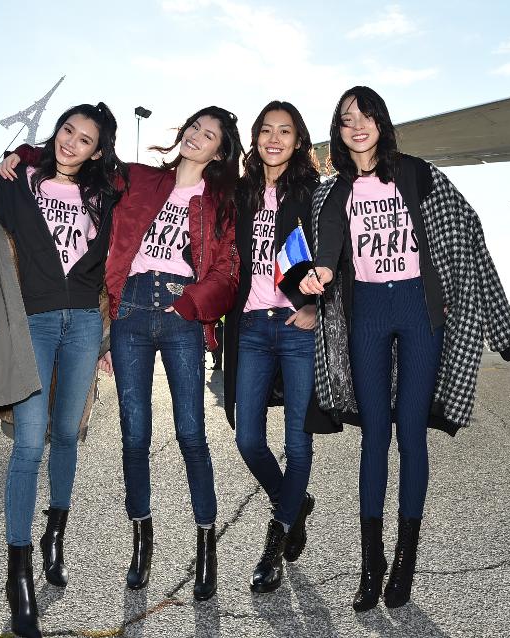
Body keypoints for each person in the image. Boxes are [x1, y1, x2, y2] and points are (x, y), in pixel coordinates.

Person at [1, 104, 242, 601]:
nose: (197, 135)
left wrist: (192, 304)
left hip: (182, 313)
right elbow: (73, 155)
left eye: (209, 133)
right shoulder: (138, 179)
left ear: (221, 149)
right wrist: (17, 153)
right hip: (130, 310)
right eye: (194, 126)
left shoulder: (222, 202)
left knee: (192, 433)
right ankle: (141, 546)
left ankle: (206, 551)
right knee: (134, 435)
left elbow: (229, 269)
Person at [299, 86, 510, 611]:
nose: (359, 126)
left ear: (383, 122)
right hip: (367, 314)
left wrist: (500, 326)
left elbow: (468, 233)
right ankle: (370, 561)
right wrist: (317, 277)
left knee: (411, 434)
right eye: (348, 118)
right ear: (338, 128)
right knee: (375, 436)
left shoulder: (418, 174)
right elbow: (323, 248)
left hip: (420, 314)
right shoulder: (331, 192)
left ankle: (405, 558)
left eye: (367, 116)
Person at [0, 103, 127, 638]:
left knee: (69, 435)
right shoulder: (19, 180)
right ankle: (18, 572)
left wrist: (108, 331)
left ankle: (55, 535)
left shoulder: (106, 197)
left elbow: (114, 263)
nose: (71, 142)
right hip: (31, 324)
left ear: (98, 150)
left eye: (85, 139)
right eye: (66, 131)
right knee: (29, 443)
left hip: (82, 325)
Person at [223, 100, 331, 593]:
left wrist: (315, 308)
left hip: (295, 325)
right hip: (249, 326)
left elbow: (332, 252)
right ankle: (295, 500)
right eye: (267, 129)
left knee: (296, 442)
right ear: (256, 138)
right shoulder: (241, 193)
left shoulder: (312, 191)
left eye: (285, 131)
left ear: (298, 140)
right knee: (247, 438)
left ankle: (276, 538)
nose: (274, 138)